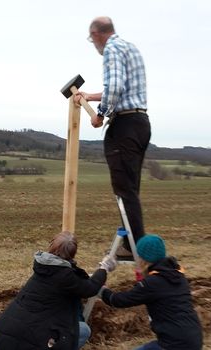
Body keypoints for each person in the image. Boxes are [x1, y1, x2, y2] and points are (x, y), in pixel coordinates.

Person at [75, 16, 151, 260]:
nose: (93, 44)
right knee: (130, 189)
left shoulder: (111, 50)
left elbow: (116, 88)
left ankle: (137, 249)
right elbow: (120, 89)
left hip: (124, 127)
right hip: (139, 124)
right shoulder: (129, 47)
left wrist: (100, 114)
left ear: (97, 34)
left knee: (124, 191)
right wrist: (91, 96)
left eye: (91, 38)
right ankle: (132, 245)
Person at [0, 231, 117, 350]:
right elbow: (89, 288)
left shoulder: (44, 267)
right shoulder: (64, 276)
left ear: (52, 247)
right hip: (30, 339)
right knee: (83, 331)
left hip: (6, 334)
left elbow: (75, 283)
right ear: (73, 253)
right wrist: (104, 268)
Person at [100, 234, 203, 350]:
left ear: (144, 259)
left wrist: (102, 290)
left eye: (138, 256)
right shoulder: (177, 274)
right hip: (194, 338)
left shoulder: (152, 283)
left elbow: (119, 300)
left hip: (175, 344)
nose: (136, 259)